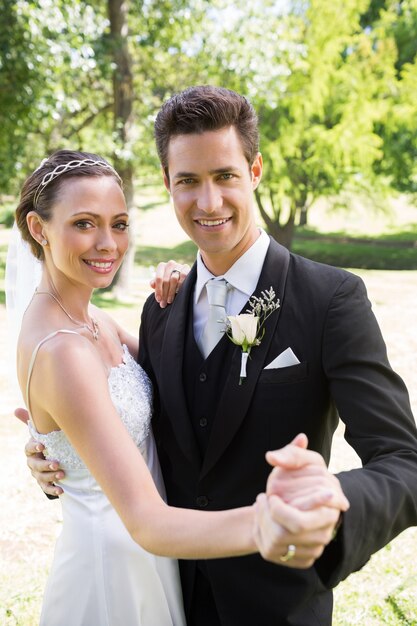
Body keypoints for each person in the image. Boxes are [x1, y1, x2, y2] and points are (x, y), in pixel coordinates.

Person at [23, 87, 417, 626]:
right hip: (162, 596)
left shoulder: (331, 301)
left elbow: (404, 461)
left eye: (224, 176)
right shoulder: (160, 311)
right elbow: (123, 416)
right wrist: (52, 444)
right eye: (188, 181)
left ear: (254, 171)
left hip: (279, 606)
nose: (208, 203)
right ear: (167, 185)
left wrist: (329, 502)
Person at [12, 148, 299, 626]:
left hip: (150, 559)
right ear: (39, 229)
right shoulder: (63, 349)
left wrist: (193, 293)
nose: (108, 243)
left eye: (119, 224)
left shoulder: (93, 321)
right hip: (115, 568)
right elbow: (145, 519)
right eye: (84, 223)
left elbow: (178, 382)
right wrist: (274, 525)